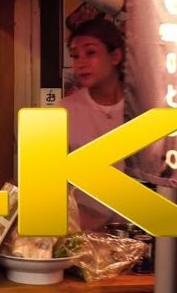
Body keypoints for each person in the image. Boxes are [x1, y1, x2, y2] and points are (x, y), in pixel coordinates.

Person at [59, 18, 128, 230]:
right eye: (75, 56)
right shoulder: (63, 112)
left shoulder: (145, 107)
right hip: (84, 236)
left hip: (143, 235)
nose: (80, 63)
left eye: (90, 53)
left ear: (115, 56)